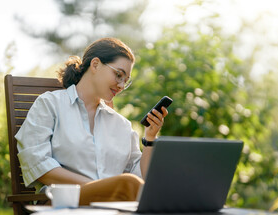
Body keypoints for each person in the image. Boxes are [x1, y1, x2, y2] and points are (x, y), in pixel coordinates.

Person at [15, 37, 168, 205]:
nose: (121, 85)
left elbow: (140, 177)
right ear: (95, 64)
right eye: (118, 75)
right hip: (64, 204)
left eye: (126, 80)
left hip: (113, 211)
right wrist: (102, 188)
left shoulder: (121, 125)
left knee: (165, 194)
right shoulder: (50, 104)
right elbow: (39, 166)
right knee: (129, 186)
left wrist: (150, 138)